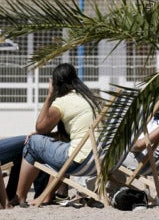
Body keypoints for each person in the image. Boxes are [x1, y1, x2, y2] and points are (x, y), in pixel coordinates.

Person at [10, 63, 101, 207]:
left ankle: (20, 196)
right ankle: (46, 195)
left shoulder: (63, 102)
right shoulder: (91, 98)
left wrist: (49, 96)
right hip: (98, 160)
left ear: (56, 83)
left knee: (33, 142)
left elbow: (40, 127)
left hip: (78, 161)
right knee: (60, 146)